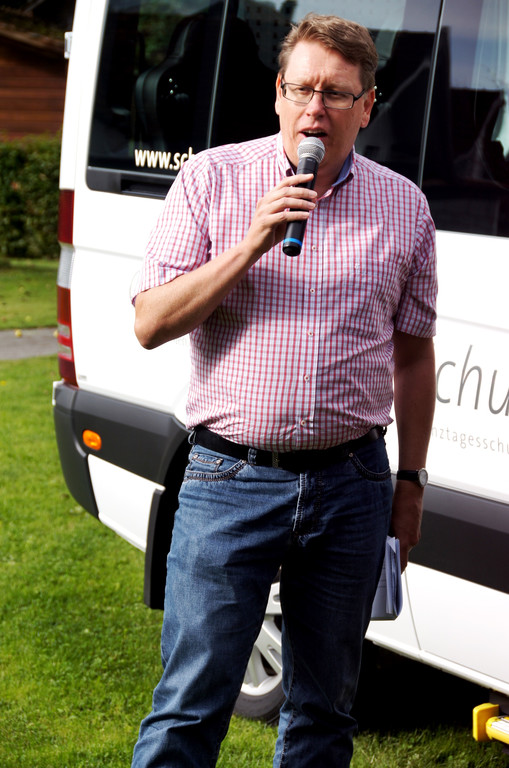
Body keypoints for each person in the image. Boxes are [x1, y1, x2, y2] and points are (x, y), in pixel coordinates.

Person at [131, 13, 437, 768]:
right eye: (301, 89)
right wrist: (251, 244)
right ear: (277, 93)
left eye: (336, 94)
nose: (315, 109)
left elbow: (412, 357)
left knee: (324, 712)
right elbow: (150, 323)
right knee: (189, 706)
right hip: (229, 479)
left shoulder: (404, 206)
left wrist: (410, 483)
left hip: (352, 484)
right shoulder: (213, 179)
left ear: (366, 105)